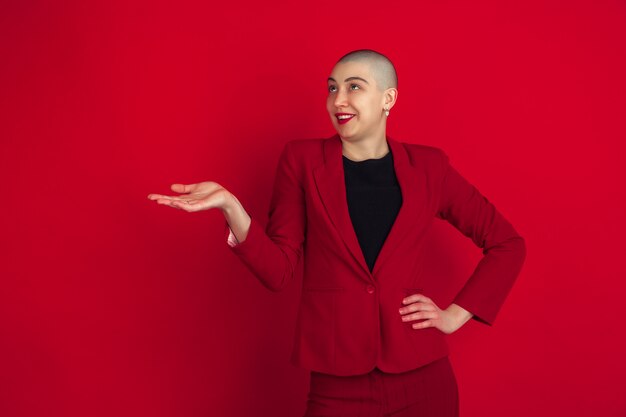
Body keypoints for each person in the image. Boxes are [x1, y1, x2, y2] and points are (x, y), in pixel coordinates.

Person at [147, 49, 526, 417]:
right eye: (331, 88)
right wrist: (232, 206)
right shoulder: (302, 161)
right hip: (338, 383)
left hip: (422, 378)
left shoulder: (428, 167)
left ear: (388, 98)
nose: (337, 100)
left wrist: (455, 315)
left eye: (354, 86)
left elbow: (507, 243)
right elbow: (278, 271)